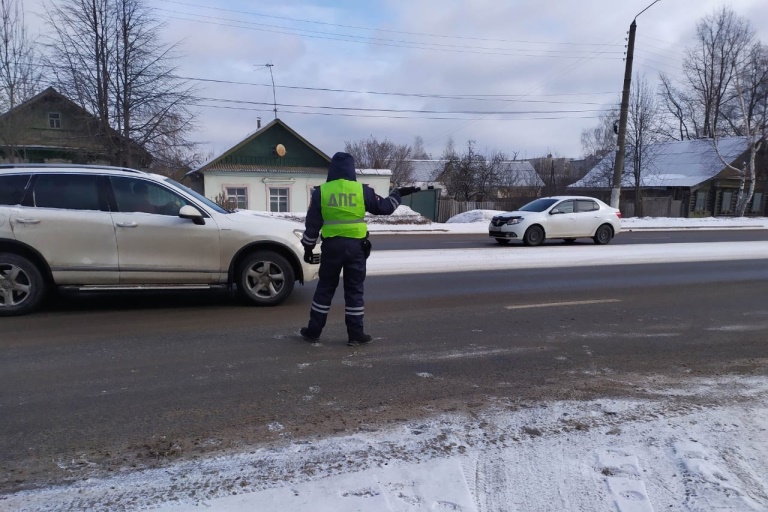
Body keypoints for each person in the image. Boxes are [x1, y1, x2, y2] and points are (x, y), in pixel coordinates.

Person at [299, 152, 419, 346]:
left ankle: (313, 331)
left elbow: (312, 224)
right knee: (354, 291)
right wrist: (398, 193)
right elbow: (385, 208)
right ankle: (355, 335)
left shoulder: (321, 191)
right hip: (356, 248)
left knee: (324, 289)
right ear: (351, 169)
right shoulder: (362, 190)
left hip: (331, 248)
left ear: (332, 169)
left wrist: (308, 248)